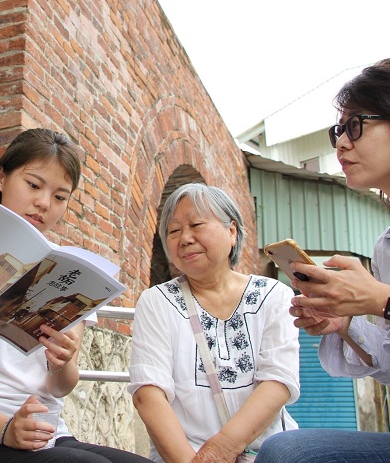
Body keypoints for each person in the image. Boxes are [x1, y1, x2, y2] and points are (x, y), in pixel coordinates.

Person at [255, 56, 390, 463]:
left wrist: (383, 299)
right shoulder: (388, 246)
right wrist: (346, 324)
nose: (340, 143)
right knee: (286, 452)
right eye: (339, 129)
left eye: (356, 125)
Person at [0, 128, 152, 463]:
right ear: (1, 177)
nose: (44, 203)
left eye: (60, 197)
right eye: (33, 185)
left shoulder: (71, 269)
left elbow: (60, 387)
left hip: (50, 435)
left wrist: (64, 361)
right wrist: (5, 429)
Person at [128, 183, 300, 463]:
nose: (184, 238)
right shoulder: (156, 301)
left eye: (196, 224)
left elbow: (278, 381)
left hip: (269, 454)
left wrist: (221, 449)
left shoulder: (274, 295)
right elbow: (149, 393)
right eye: (173, 231)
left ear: (231, 231)